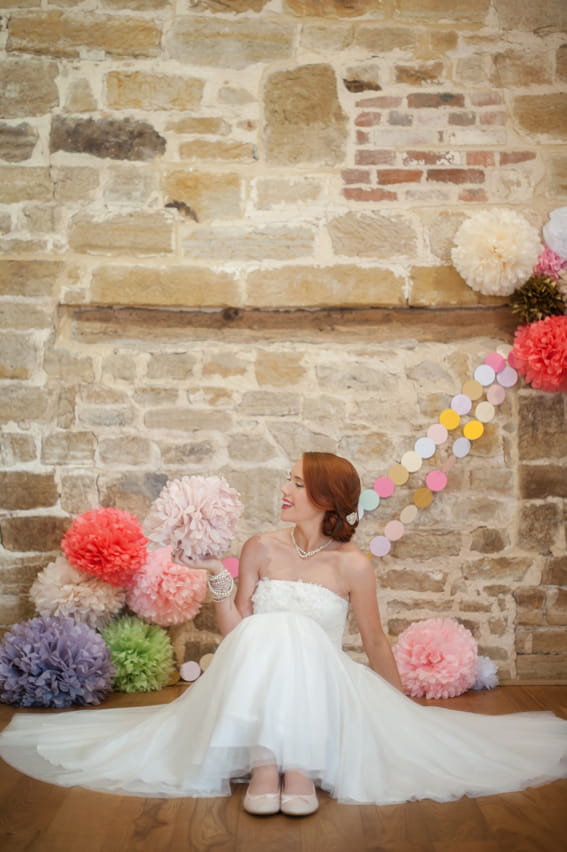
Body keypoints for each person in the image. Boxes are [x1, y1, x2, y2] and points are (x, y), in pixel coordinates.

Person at [0, 452, 566, 816]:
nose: (285, 490)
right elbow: (238, 630)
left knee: (293, 634)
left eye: (297, 483)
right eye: (287, 481)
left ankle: (292, 766)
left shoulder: (353, 566)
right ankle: (269, 766)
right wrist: (219, 590)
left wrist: (401, 709)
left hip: (321, 679)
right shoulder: (261, 548)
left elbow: (373, 641)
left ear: (326, 498)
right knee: (271, 632)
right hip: (252, 668)